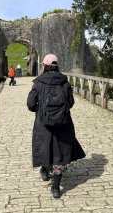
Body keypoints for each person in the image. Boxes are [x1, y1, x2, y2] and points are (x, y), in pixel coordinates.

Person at [27, 53, 85, 198]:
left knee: (45, 148)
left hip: (43, 124)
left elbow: (30, 104)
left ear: (45, 66)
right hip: (63, 124)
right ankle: (56, 188)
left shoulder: (38, 83)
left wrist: (40, 111)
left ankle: (45, 170)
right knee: (59, 153)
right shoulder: (65, 82)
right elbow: (70, 103)